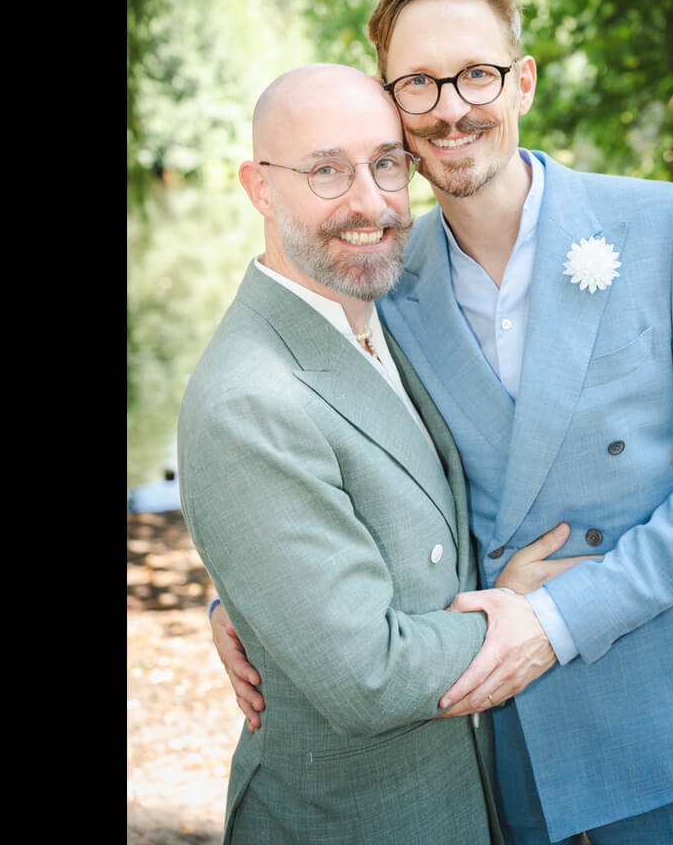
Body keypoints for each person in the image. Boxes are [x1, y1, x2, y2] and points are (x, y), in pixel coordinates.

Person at [210, 0, 673, 844]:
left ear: (521, 80)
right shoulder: (382, 279)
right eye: (418, 84)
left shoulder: (665, 226)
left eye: (475, 73)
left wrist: (563, 620)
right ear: (391, 102)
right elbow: (307, 438)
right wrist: (241, 597)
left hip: (659, 716)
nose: (450, 107)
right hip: (498, 741)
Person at [177, 63, 517, 844]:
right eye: (326, 170)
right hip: (345, 820)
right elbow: (368, 675)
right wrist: (525, 615)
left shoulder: (382, 310)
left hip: (455, 803)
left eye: (387, 163)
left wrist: (248, 602)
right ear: (259, 188)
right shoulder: (248, 401)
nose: (369, 203)